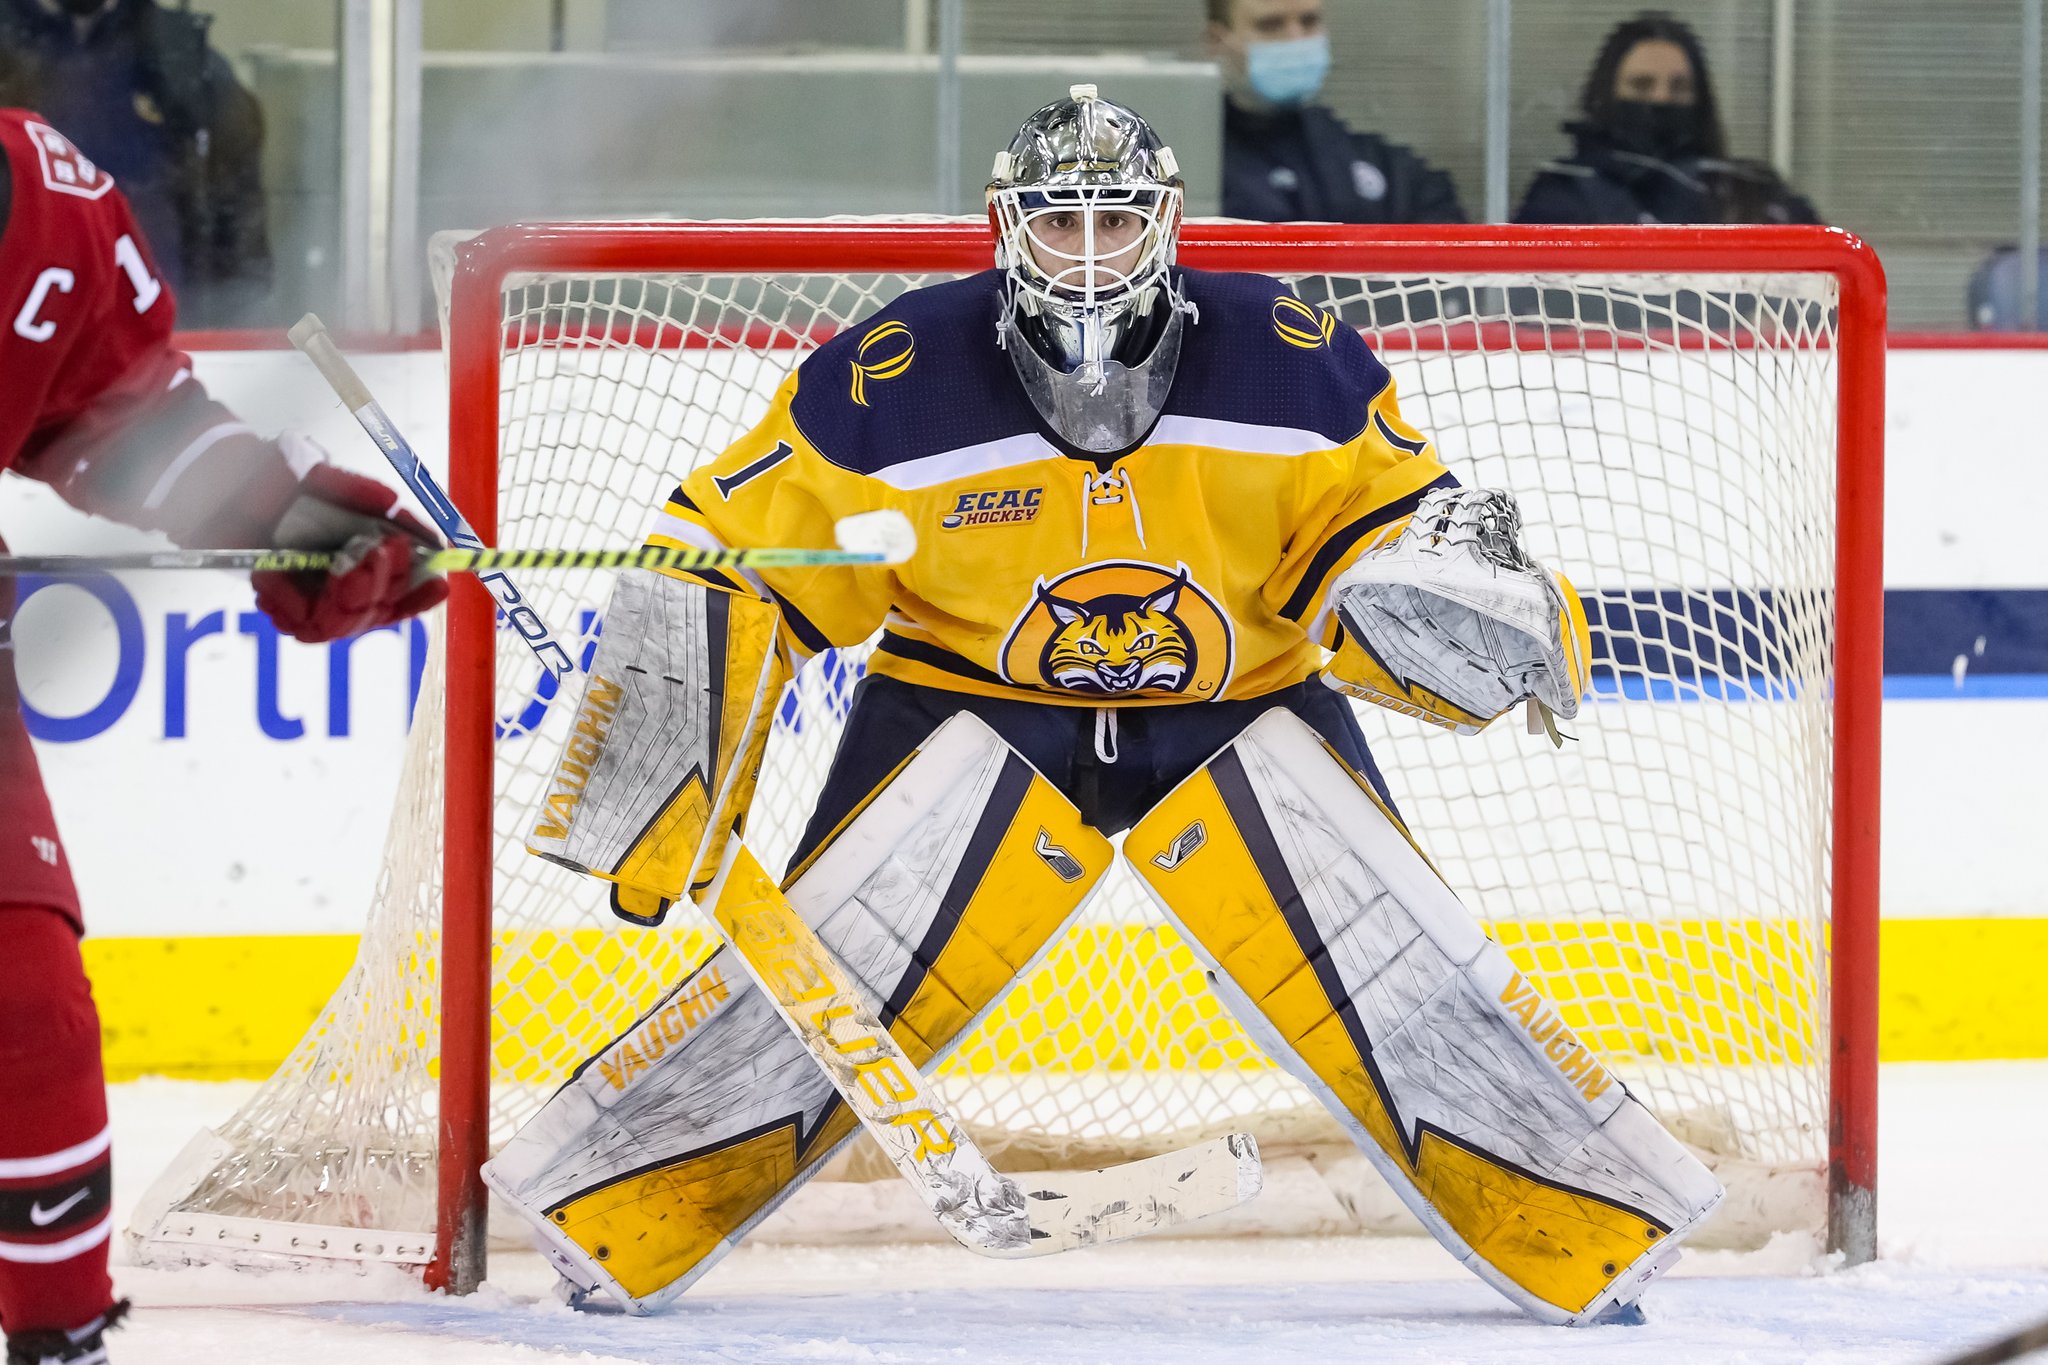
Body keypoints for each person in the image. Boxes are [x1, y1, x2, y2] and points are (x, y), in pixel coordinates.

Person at [479, 87, 1723, 1327]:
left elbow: (1393, 526)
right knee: (831, 977)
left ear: (1166, 223)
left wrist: (1451, 595)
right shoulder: (894, 375)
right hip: (965, 703)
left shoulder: (1284, 354)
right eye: (1057, 223)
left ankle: (1583, 1222)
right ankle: (610, 1211)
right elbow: (730, 549)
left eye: (1112, 223)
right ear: (1001, 224)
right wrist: (661, 748)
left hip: (1239, 700)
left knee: (1392, 964)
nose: (1085, 252)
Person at [0, 110, 445, 1364]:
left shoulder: (38, 196)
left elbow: (115, 416)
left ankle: (60, 1340)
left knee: (28, 1008)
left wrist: (280, 513)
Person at [0, 0, 270, 327]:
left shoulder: (187, 64)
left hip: (162, 341)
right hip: (21, 343)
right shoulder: (10, 53)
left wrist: (222, 346)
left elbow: (241, 260)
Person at [1516, 11, 1820, 226]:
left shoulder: (1751, 193)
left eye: (1678, 87)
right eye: (1641, 85)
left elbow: (1826, 291)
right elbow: (1523, 303)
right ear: (1606, 96)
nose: (1661, 99)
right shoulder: (1562, 192)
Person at [1205, 0, 1464, 225]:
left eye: (1309, 21)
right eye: (1271, 25)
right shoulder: (1199, 164)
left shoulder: (1368, 158)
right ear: (1218, 40)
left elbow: (1445, 226)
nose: (1296, 38)